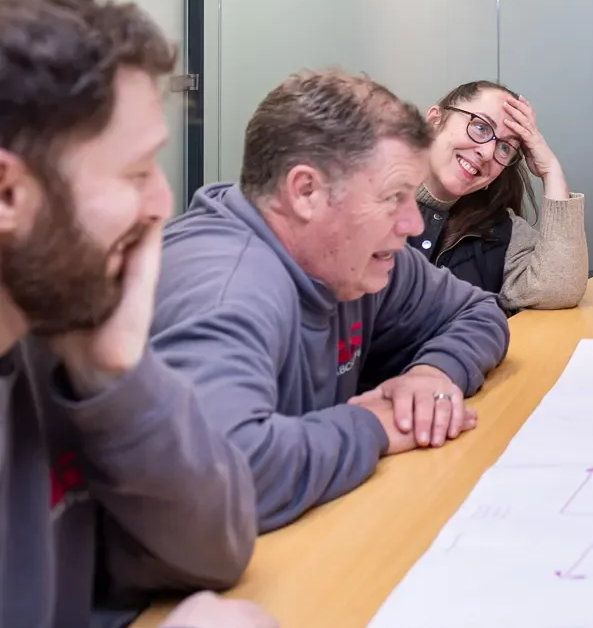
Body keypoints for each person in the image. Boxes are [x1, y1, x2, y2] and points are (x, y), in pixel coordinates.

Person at [0, 0, 285, 628]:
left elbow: (214, 549)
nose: (164, 203)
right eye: (134, 174)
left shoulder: (51, 337)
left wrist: (116, 368)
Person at [151, 70, 511, 533]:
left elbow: (476, 311)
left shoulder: (356, 254)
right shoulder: (228, 288)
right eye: (393, 197)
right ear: (306, 192)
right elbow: (218, 482)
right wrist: (374, 426)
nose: (413, 224)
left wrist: (431, 375)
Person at [412, 81, 587, 312]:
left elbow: (559, 289)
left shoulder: (500, 231)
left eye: (504, 148)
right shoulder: (361, 198)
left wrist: (551, 171)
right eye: (481, 127)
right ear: (435, 120)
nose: (487, 153)